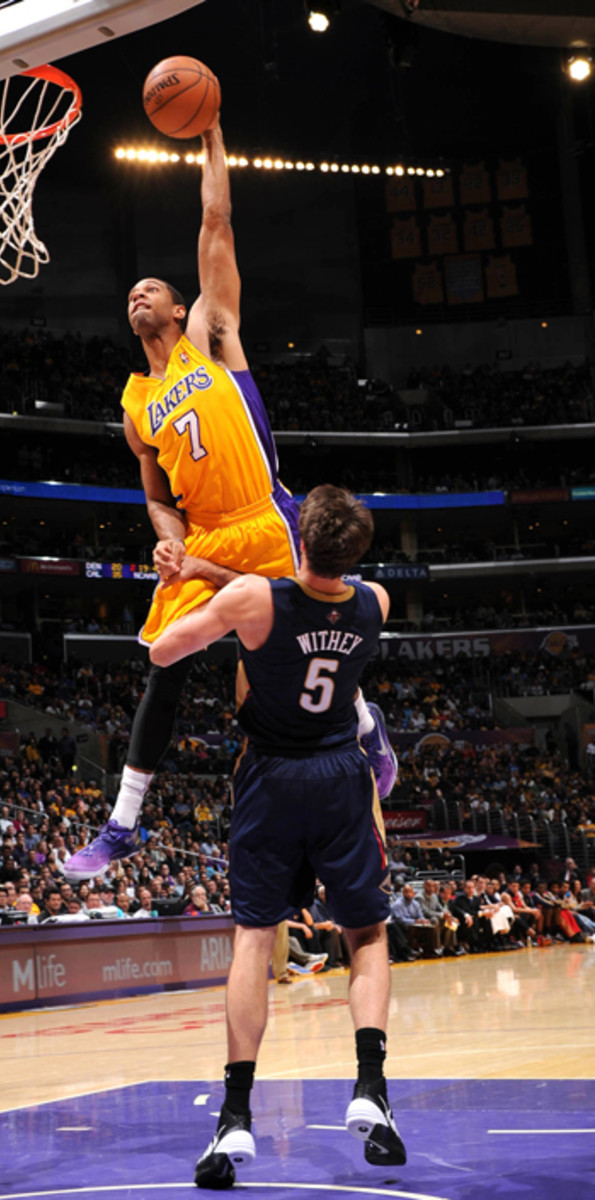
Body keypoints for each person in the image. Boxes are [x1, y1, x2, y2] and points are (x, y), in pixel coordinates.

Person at [65, 123, 396, 883]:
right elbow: (155, 496)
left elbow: (216, 221)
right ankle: (121, 825)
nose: (135, 295)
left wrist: (211, 132)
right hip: (205, 536)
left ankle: (362, 724)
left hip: (264, 517)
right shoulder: (133, 404)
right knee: (164, 666)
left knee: (287, 665)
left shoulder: (212, 336)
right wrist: (165, 540)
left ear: (180, 310)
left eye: (149, 289)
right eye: (129, 294)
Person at [150, 484, 405, 1186]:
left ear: (297, 539)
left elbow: (165, 651)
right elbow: (301, 597)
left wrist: (190, 584)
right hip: (338, 778)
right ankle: (371, 1091)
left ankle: (235, 1116)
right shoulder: (373, 602)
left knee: (254, 938)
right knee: (367, 936)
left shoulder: (254, 604)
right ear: (354, 551)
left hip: (269, 777)